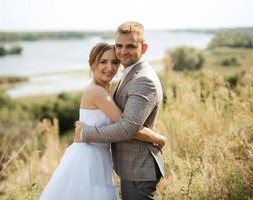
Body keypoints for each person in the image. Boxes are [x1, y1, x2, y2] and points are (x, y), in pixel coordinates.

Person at [40, 42, 165, 200]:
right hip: (89, 158)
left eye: (114, 62)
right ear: (92, 64)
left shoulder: (103, 88)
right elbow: (127, 127)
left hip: (97, 154)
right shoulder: (97, 92)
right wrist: (158, 138)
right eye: (103, 62)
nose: (110, 68)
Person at [74, 21, 165, 200]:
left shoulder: (143, 80)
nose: (123, 51)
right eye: (119, 46)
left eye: (131, 46)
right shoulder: (129, 72)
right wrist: (156, 137)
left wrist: (85, 134)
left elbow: (126, 128)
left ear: (144, 47)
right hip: (130, 165)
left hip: (139, 166)